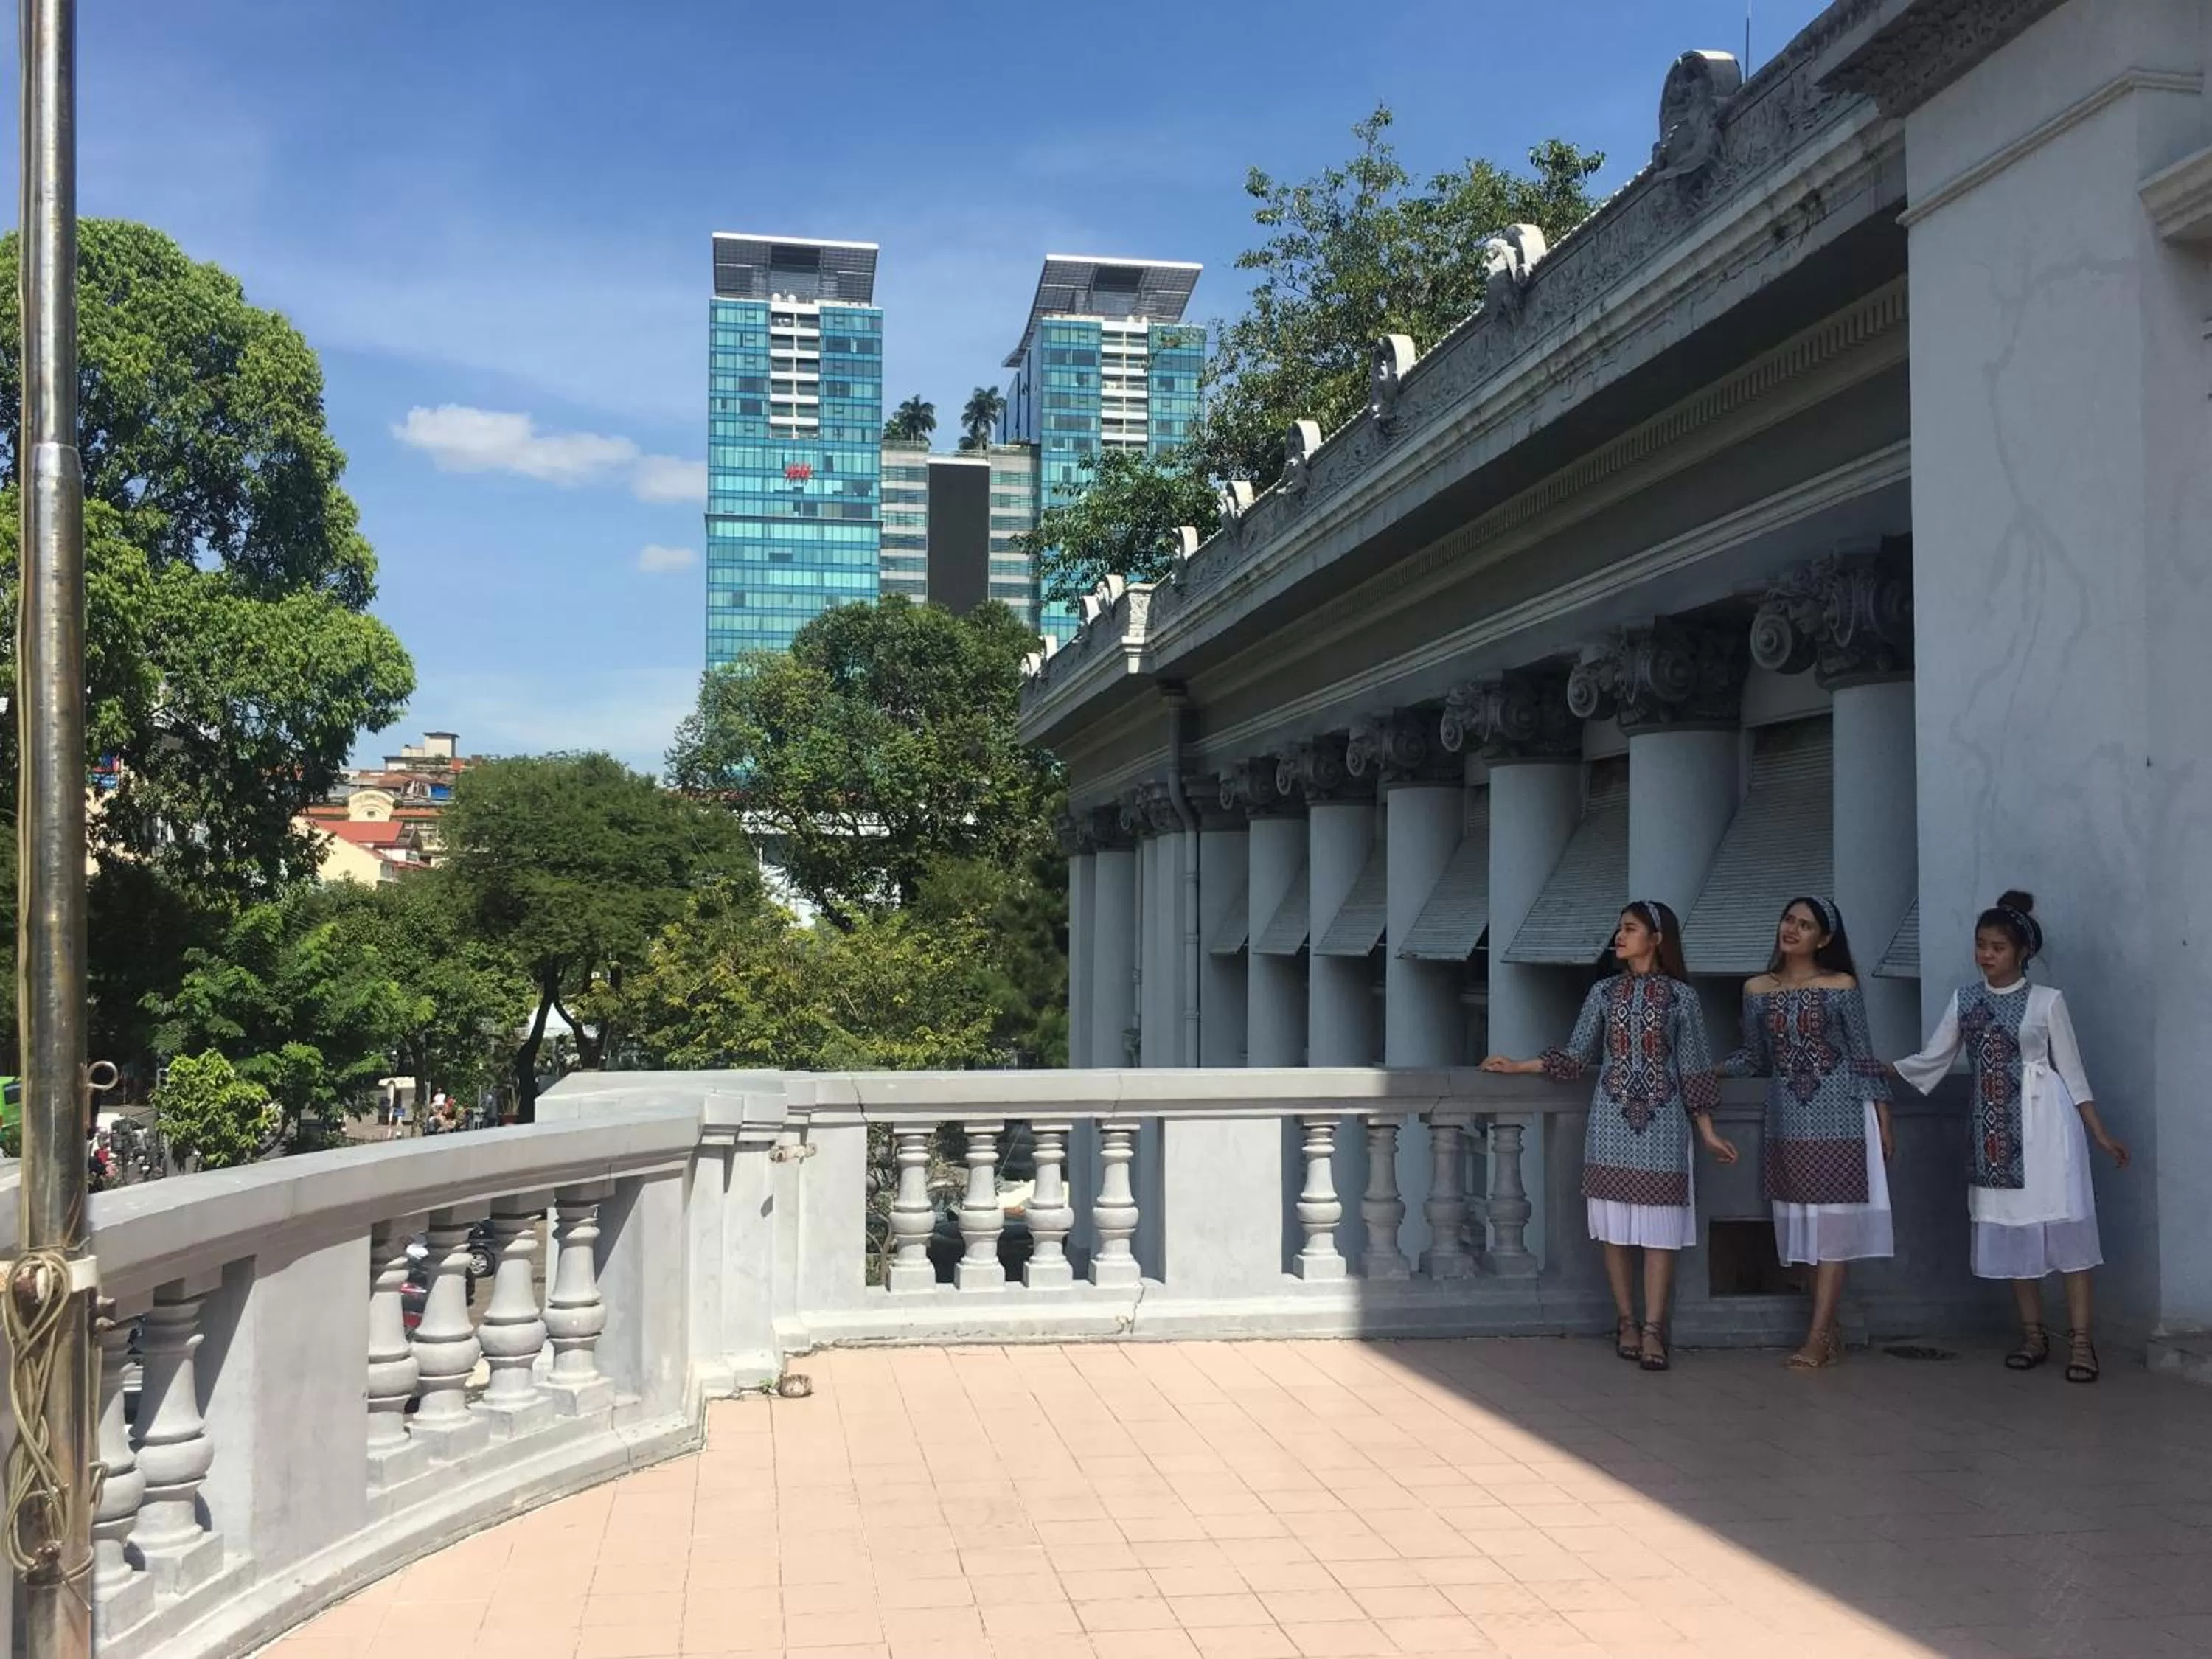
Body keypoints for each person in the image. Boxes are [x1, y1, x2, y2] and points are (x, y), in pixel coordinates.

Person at [1484, 900, 1737, 1371]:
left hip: (1664, 1123)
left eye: (1630, 929)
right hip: (1610, 1121)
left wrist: (1706, 1131)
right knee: (1615, 1229)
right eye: (1619, 929)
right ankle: (1625, 1320)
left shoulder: (1683, 998)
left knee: (1659, 1231)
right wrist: (1518, 1065)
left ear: (1657, 940)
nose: (1619, 937)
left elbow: (1695, 1067)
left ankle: (1654, 1328)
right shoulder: (1603, 993)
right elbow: (1577, 1055)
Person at [1891, 891, 2128, 1382]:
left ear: (2022, 952)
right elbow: (1935, 1058)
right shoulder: (1966, 999)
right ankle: (2033, 1334)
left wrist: (2099, 1133)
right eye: (1981, 945)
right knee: (2015, 1229)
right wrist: (1884, 1069)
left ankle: (2082, 1343)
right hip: (1993, 1127)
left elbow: (2073, 1070)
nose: (1986, 955)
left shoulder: (2047, 1002)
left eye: (1997, 946)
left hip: (2047, 1124)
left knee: (2065, 1225)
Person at [1718, 897, 1894, 1370]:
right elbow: (1754, 1058)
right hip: (1789, 1122)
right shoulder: (1757, 989)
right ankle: (1828, 1330)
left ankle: (1816, 1337)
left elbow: (1862, 1054)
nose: (1792, 930)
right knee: (1805, 1234)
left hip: (1841, 1118)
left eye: (1806, 925)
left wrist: (1882, 1112)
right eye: (1789, 920)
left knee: (1833, 1228)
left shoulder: (1841, 985)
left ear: (1825, 939)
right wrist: (1709, 1070)